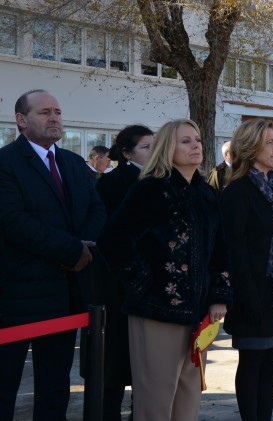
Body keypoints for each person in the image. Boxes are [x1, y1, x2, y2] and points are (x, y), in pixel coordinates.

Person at [98, 119, 232, 421]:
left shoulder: (206, 194)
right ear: (166, 148)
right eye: (185, 141)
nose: (195, 145)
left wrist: (219, 296)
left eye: (197, 139)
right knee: (156, 400)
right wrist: (143, 283)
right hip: (156, 310)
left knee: (188, 397)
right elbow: (113, 240)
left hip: (198, 314)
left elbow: (221, 250)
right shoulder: (150, 190)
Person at [0, 89, 106, 420]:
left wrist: (82, 248)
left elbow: (96, 210)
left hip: (65, 295)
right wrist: (70, 250)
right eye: (45, 111)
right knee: (5, 386)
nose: (55, 117)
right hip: (16, 296)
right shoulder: (6, 163)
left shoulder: (73, 163)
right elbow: (14, 221)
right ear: (21, 120)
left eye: (58, 111)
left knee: (54, 387)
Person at [221, 119, 273, 421]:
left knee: (272, 363)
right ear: (249, 147)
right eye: (269, 142)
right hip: (253, 296)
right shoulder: (238, 191)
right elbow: (234, 251)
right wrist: (247, 298)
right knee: (253, 362)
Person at [94, 124, 154, 420]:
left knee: (146, 362)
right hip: (121, 283)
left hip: (152, 283)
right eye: (146, 147)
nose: (153, 152)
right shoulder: (113, 183)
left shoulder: (159, 179)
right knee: (116, 360)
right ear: (127, 152)